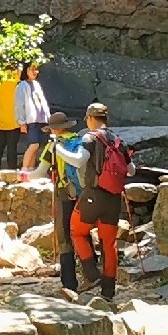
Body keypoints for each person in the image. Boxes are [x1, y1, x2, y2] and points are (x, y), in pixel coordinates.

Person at [70, 101, 131, 304]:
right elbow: (131, 171)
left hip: (93, 195)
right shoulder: (118, 140)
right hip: (113, 198)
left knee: (77, 230)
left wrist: (58, 150)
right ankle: (108, 291)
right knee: (109, 243)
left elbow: (79, 160)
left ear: (90, 118)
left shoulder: (89, 137)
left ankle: (91, 273)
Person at [43, 109, 85, 293]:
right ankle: (91, 273)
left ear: (53, 129)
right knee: (82, 232)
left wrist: (23, 177)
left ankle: (69, 283)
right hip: (83, 194)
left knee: (64, 236)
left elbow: (38, 172)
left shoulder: (53, 146)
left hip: (63, 194)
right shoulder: (80, 141)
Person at [16, 62, 53, 172]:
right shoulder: (21, 86)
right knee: (34, 144)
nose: (35, 72)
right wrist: (21, 122)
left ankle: (31, 169)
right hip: (31, 120)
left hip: (42, 119)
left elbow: (43, 102)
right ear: (26, 71)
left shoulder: (37, 84)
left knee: (37, 146)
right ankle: (24, 169)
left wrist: (49, 118)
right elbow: (19, 105)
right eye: (33, 69)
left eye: (36, 69)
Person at [0, 63, 24, 173]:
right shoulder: (13, 79)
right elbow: (20, 69)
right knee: (12, 147)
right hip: (13, 119)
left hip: (0, 119)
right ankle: (12, 170)